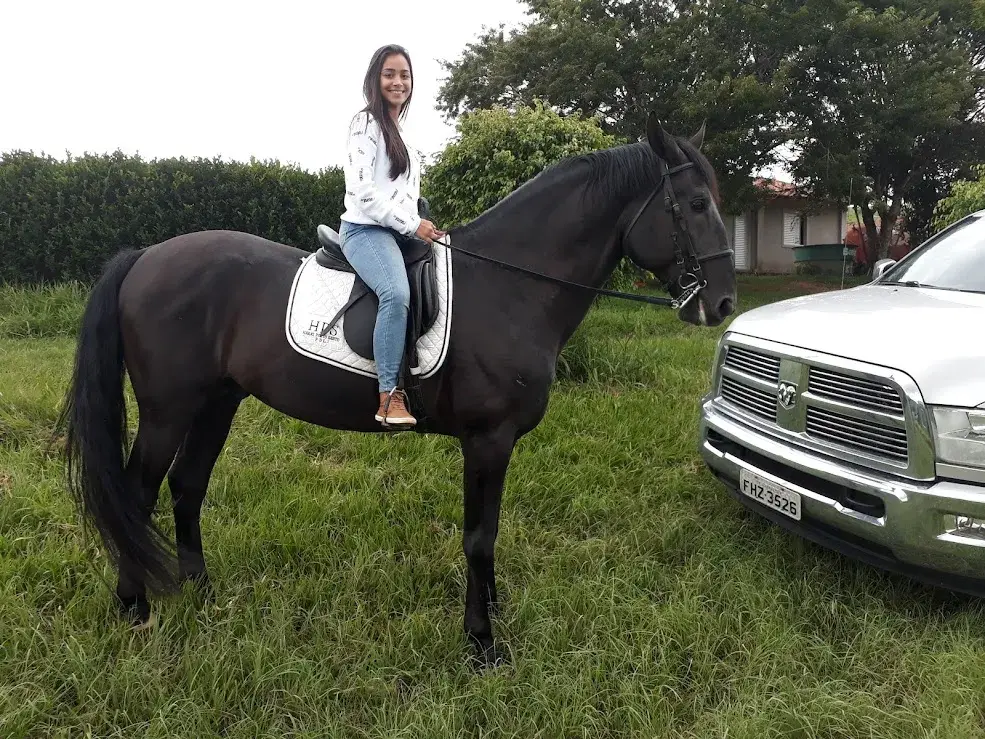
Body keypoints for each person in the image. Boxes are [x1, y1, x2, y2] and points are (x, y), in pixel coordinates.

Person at [340, 44, 445, 429]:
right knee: (396, 293)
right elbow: (363, 192)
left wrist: (422, 220)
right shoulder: (365, 123)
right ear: (375, 79)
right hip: (365, 230)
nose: (398, 82)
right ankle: (388, 395)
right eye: (390, 74)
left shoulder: (401, 130)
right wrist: (411, 224)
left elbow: (402, 194)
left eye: (404, 75)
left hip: (398, 231)